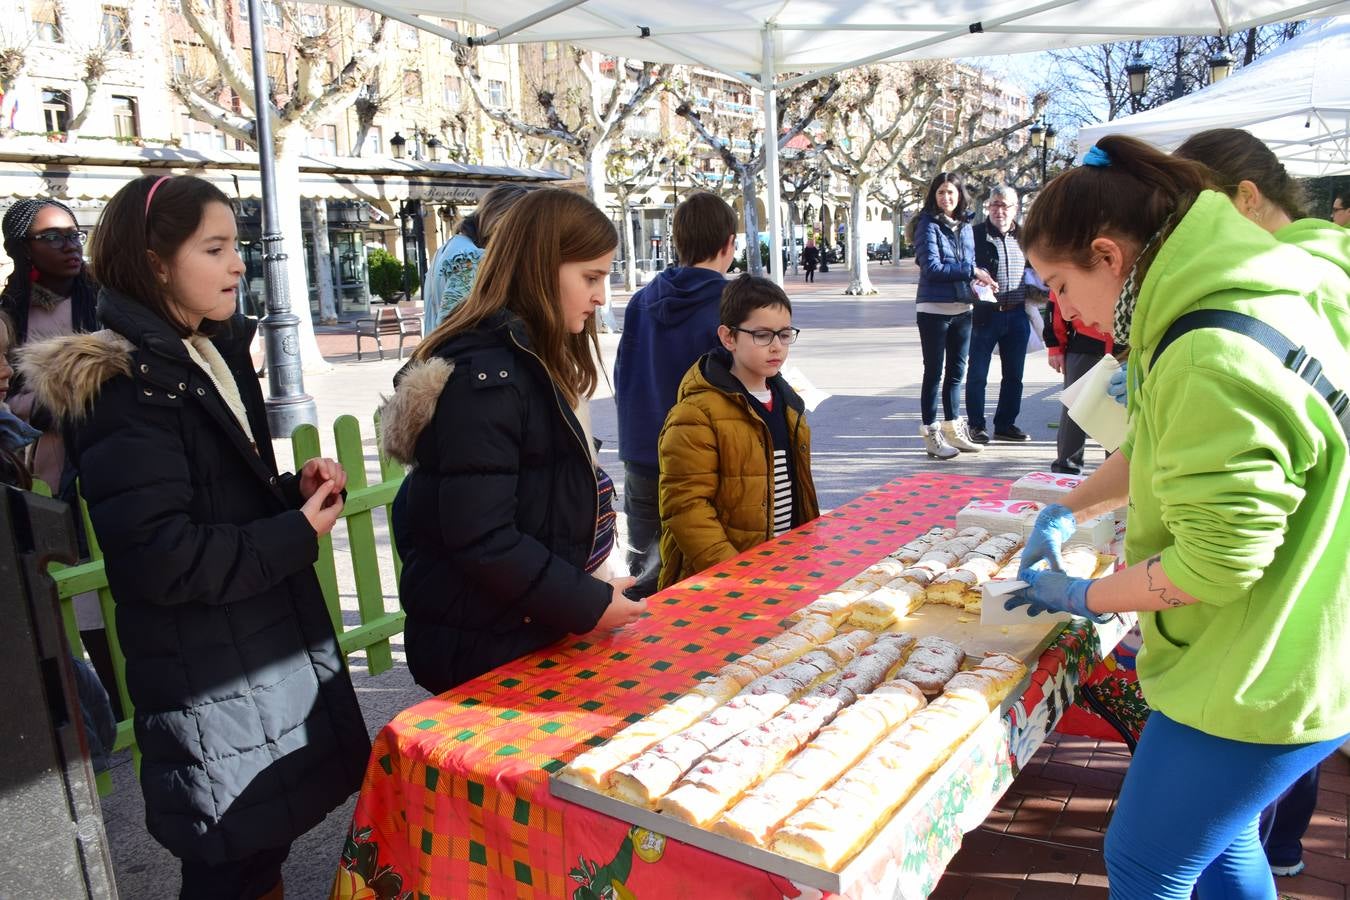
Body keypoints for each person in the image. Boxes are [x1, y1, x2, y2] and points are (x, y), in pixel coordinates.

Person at [1006, 136, 1350, 899]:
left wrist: (1083, 598)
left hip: (1261, 669)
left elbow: (1218, 565)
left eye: (1058, 286)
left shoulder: (1206, 346)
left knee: (1147, 861)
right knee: (1220, 845)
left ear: (1108, 256)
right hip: (1290, 646)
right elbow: (1160, 442)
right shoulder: (1228, 293)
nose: (1060, 310)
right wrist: (1068, 507)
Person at [18, 174, 371, 900]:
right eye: (215, 248)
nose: (238, 264)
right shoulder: (126, 384)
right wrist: (292, 533)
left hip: (244, 656)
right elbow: (161, 559)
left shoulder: (199, 352)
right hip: (206, 672)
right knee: (230, 862)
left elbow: (214, 502)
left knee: (252, 853)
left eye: (235, 246)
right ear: (154, 262)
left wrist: (287, 496)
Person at [381, 188, 646, 694]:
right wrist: (585, 602)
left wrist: (582, 592)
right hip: (486, 646)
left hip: (522, 625)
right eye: (591, 277)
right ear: (542, 268)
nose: (600, 297)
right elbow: (482, 537)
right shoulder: (489, 379)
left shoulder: (531, 363)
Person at [656, 274, 819, 589]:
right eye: (761, 335)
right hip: (723, 581)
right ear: (728, 337)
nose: (776, 346)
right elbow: (686, 507)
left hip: (785, 568)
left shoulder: (788, 403)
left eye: (784, 335)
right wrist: (734, 575)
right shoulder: (696, 414)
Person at [613, 191, 737, 599]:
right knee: (708, 576)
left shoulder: (641, 301)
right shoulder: (730, 306)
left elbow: (623, 375)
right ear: (729, 245)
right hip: (703, 461)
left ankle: (644, 655)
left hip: (643, 455)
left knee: (645, 574)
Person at [909, 172, 998, 459]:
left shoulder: (966, 226)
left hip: (963, 307)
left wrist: (981, 281)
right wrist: (972, 271)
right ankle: (931, 434)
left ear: (960, 195)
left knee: (957, 373)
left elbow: (969, 262)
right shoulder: (927, 225)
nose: (946, 198)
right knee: (934, 372)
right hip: (933, 309)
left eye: (951, 192)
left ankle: (954, 429)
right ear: (933, 196)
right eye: (940, 192)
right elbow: (932, 268)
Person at [966, 185, 1033, 444]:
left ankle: (1005, 424)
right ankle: (976, 425)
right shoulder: (975, 235)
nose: (999, 211)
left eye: (1005, 205)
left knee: (1014, 375)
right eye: (994, 205)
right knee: (978, 374)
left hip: (1016, 315)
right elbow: (965, 266)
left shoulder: (1026, 237)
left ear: (1015, 209)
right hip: (985, 315)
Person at [422, 184, 531, 333]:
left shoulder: (448, 248)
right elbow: (452, 328)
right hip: (454, 355)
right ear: (502, 220)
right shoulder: (472, 258)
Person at [1043, 292, 1118, 474]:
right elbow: (1057, 298)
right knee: (1075, 410)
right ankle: (1066, 469)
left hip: (1124, 344)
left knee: (1119, 414)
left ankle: (1116, 473)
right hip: (1085, 342)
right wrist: (1055, 346)